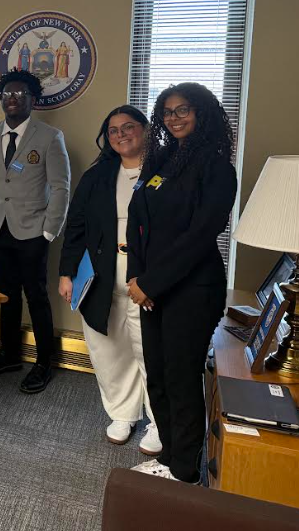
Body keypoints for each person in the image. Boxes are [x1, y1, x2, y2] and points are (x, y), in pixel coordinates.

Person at [128, 83, 236, 483]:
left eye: (183, 110)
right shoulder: (163, 159)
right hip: (151, 288)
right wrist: (137, 277)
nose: (174, 118)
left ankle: (185, 470)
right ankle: (170, 456)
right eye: (167, 112)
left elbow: (201, 235)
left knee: (181, 378)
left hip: (192, 290)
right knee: (157, 375)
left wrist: (152, 283)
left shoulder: (216, 167)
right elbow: (137, 221)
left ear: (201, 113)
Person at [58, 105, 160, 455]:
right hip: (101, 272)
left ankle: (159, 420)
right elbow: (76, 225)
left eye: (128, 127)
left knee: (150, 349)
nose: (120, 135)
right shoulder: (97, 175)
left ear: (145, 129)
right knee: (107, 346)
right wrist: (67, 272)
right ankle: (122, 413)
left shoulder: (166, 171)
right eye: (113, 130)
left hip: (147, 273)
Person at [0, 69, 70, 394]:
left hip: (33, 231)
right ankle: (9, 354)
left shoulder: (50, 137)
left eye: (20, 94)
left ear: (33, 99)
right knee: (7, 292)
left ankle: (43, 363)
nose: (12, 99)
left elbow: (61, 187)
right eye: (7, 94)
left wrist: (49, 231)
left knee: (36, 295)